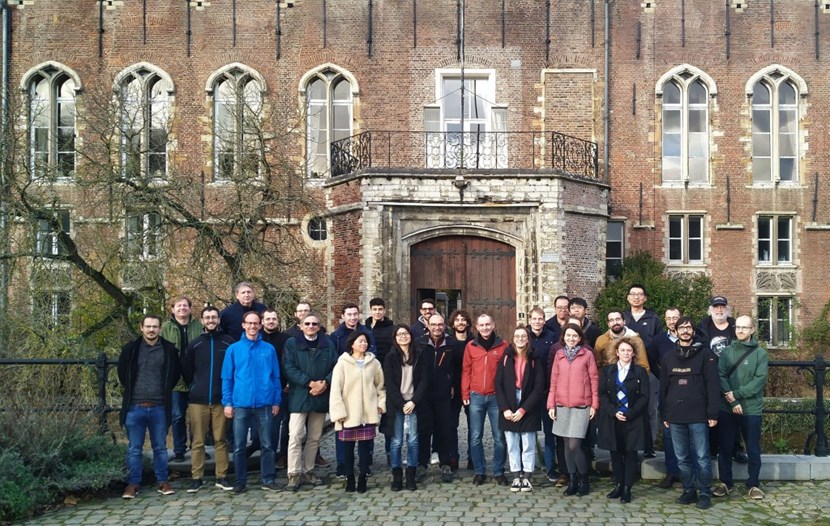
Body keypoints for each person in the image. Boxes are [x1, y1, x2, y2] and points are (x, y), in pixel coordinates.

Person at [117, 315, 182, 499]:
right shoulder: (131, 349)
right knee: (134, 448)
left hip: (159, 406)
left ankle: (162, 481)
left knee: (160, 447)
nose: (151, 330)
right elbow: (123, 374)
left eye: (155, 326)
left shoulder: (169, 350)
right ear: (141, 328)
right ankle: (133, 484)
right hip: (135, 406)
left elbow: (174, 375)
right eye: (148, 326)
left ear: (160, 328)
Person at [660, 316, 719, 510]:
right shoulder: (668, 357)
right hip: (675, 416)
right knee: (682, 457)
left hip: (699, 415)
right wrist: (664, 415)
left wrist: (712, 413)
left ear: (693, 331)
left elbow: (712, 385)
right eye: (681, 328)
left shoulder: (706, 354)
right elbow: (664, 389)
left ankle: (704, 492)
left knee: (702, 457)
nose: (685, 331)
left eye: (688, 327)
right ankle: (688, 490)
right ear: (675, 331)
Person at [221, 310, 282, 493]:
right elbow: (227, 378)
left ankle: (268, 479)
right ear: (243, 325)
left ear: (260, 325)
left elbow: (275, 377)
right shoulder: (233, 349)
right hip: (240, 404)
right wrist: (228, 402)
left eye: (256, 323)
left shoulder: (268, 349)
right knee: (239, 446)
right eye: (249, 323)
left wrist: (276, 401)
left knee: (267, 445)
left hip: (264, 403)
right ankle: (240, 481)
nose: (253, 326)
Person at [713, 315, 769, 501]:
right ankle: (725, 483)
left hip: (751, 409)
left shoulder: (760, 354)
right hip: (728, 408)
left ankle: (753, 484)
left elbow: (759, 381)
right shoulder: (726, 352)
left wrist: (737, 395)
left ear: (752, 330)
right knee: (725, 448)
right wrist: (733, 402)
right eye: (738, 327)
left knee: (752, 448)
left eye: (745, 327)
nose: (740, 330)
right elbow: (721, 376)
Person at [181, 306, 235, 492]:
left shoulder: (228, 343)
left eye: (214, 317)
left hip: (221, 399)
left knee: (221, 439)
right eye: (207, 317)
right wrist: (195, 386)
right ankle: (197, 477)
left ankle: (222, 476)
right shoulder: (195, 344)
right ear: (202, 321)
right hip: (198, 400)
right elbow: (187, 370)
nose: (211, 320)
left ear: (218, 320)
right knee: (198, 440)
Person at [282, 313, 338, 491]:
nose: (311, 326)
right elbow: (288, 367)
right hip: (300, 395)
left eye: (314, 323)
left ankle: (308, 470)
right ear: (301, 326)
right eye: (307, 323)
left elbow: (335, 366)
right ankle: (293, 473)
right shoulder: (292, 344)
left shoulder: (327, 344)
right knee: (296, 436)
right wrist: (309, 382)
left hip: (320, 395)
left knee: (314, 438)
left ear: (319, 326)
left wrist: (324, 383)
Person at [329, 332, 386, 493]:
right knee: (347, 449)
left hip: (368, 413)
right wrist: (338, 411)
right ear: (352, 344)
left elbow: (380, 386)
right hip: (349, 413)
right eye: (360, 341)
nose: (364, 344)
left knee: (365, 448)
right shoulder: (343, 363)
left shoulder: (373, 363)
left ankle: (362, 476)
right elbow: (336, 390)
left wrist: (381, 403)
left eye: (366, 341)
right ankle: (349, 477)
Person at [546, 323, 599, 497]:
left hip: (581, 406)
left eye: (574, 336)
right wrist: (551, 405)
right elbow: (553, 382)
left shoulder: (587, 355)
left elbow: (593, 380)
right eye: (568, 335)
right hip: (562, 405)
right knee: (566, 447)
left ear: (579, 338)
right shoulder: (559, 355)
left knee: (575, 445)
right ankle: (572, 480)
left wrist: (594, 404)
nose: (571, 339)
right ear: (563, 337)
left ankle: (584, 479)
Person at [595, 309, 654, 458]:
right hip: (611, 386)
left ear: (624, 321)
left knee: (641, 418)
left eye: (618, 319)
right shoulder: (601, 340)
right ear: (608, 323)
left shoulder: (635, 339)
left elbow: (643, 365)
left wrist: (636, 384)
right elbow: (598, 363)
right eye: (612, 320)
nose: (615, 322)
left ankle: (648, 449)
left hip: (633, 387)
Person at [597, 338, 650, 503]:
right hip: (612, 418)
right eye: (623, 350)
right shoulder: (608, 371)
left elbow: (644, 396)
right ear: (617, 352)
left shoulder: (640, 372)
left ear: (633, 353)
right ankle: (618, 484)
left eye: (629, 350)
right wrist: (613, 412)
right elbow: (603, 394)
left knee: (630, 452)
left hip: (632, 418)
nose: (626, 353)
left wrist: (631, 413)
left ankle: (627, 488)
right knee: (615, 452)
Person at [495, 326, 545, 492]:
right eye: (517, 336)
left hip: (528, 404)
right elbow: (498, 384)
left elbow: (539, 387)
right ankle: (516, 476)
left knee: (528, 443)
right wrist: (505, 409)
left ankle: (527, 477)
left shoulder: (535, 358)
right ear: (513, 338)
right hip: (509, 403)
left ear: (528, 338)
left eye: (523, 336)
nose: (520, 339)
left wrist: (523, 409)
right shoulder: (506, 357)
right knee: (512, 443)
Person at [462, 313, 509, 486]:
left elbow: (507, 372)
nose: (485, 328)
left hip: (496, 397)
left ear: (493, 325)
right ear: (476, 327)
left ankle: (498, 471)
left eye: (488, 324)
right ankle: (479, 471)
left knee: (499, 437)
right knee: (475, 436)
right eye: (481, 325)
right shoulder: (471, 346)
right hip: (476, 396)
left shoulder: (503, 345)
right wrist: (465, 393)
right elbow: (466, 370)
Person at [331, 303, 377, 477]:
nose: (352, 317)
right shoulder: (335, 336)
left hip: (365, 389)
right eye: (349, 314)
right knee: (343, 433)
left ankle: (366, 464)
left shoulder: (367, 333)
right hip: (347, 391)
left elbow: (373, 358)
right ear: (343, 316)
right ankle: (342, 464)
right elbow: (334, 361)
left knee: (366, 433)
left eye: (355, 314)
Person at [383, 324, 432, 491]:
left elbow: (425, 380)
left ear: (411, 336)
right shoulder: (390, 357)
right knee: (396, 441)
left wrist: (413, 402)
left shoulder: (420, 354)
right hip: (397, 404)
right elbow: (389, 384)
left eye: (405, 334)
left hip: (414, 403)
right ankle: (397, 475)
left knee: (413, 440)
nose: (403, 337)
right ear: (395, 338)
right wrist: (402, 404)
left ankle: (411, 474)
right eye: (399, 334)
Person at [160, 296, 203, 462]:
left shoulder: (199, 327)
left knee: (196, 417)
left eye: (185, 306)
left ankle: (197, 448)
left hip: (195, 378)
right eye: (179, 306)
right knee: (177, 415)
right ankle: (179, 449)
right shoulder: (165, 328)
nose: (182, 308)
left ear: (190, 309)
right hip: (175, 380)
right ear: (172, 309)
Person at [648, 307, 683, 488]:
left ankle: (687, 472)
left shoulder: (692, 338)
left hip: (688, 393)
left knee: (688, 434)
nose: (672, 321)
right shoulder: (659, 340)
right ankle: (672, 472)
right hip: (667, 392)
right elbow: (651, 360)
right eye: (668, 318)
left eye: (675, 318)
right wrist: (662, 376)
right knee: (669, 433)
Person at [417, 314, 453, 483]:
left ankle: (445, 463)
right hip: (424, 394)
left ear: (444, 326)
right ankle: (421, 464)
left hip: (443, 392)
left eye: (440, 324)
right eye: (433, 324)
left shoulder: (450, 344)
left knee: (444, 429)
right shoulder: (420, 343)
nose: (437, 327)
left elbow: (457, 368)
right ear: (428, 326)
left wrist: (452, 384)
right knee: (424, 429)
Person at [527, 306, 558, 481]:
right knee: (529, 431)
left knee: (549, 432)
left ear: (544, 320)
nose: (537, 322)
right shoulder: (524, 336)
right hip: (530, 392)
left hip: (547, 391)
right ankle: (528, 467)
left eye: (540, 319)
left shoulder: (552, 337)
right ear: (529, 320)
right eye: (534, 319)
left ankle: (550, 466)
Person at [447, 309, 474, 471]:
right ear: (452, 323)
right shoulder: (448, 342)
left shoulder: (474, 342)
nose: (460, 322)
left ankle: (473, 457)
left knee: (474, 426)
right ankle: (453, 457)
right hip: (453, 390)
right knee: (451, 425)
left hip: (471, 388)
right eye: (457, 320)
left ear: (468, 323)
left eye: (463, 320)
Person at [622, 284, 664, 349]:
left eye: (640, 294)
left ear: (645, 298)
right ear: (628, 297)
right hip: (626, 356)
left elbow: (660, 340)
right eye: (633, 294)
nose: (636, 297)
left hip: (649, 357)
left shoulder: (653, 318)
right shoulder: (622, 317)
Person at [366, 297, 395, 365]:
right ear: (370, 310)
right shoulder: (364, 328)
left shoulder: (392, 329)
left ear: (384, 310)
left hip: (386, 365)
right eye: (374, 309)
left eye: (380, 309)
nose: (377, 312)